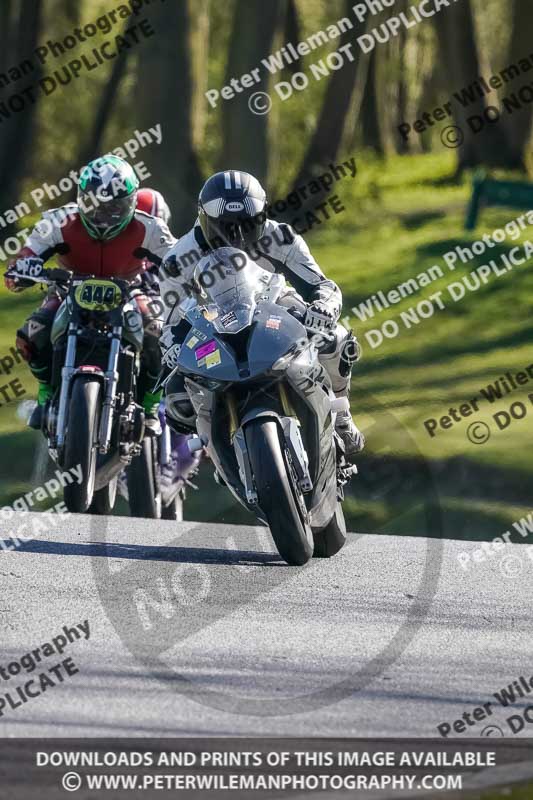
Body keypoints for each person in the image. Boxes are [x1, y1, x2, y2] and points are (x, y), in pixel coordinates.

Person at [158, 170, 364, 461]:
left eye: (247, 225)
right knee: (177, 397)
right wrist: (172, 346)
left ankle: (341, 413)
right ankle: (213, 448)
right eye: (225, 227)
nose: (237, 236)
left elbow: (320, 284)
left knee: (337, 339)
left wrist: (323, 308)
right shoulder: (179, 259)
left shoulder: (280, 237)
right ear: (205, 219)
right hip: (211, 327)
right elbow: (169, 321)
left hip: (276, 305)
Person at [4, 155, 176, 429]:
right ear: (82, 197)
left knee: (159, 331)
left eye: (115, 208)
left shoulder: (150, 228)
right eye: (96, 206)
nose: (105, 217)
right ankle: (46, 393)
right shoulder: (57, 222)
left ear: (132, 202)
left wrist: (191, 274)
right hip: (67, 288)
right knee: (32, 333)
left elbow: (180, 258)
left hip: (130, 290)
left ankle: (150, 403)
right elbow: (25, 255)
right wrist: (21, 270)